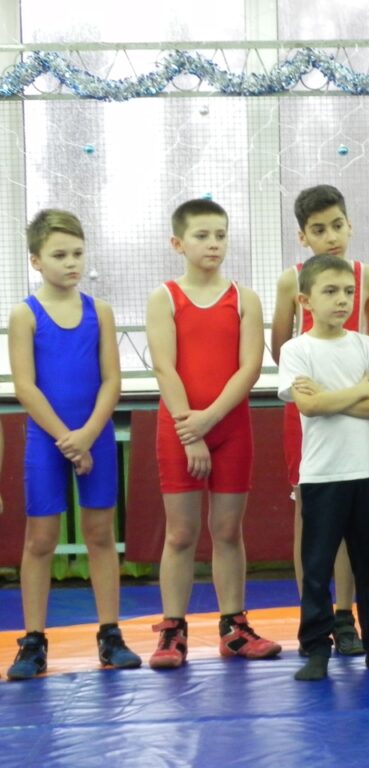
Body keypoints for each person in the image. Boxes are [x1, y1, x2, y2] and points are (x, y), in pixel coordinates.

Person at [145, 198, 281, 669]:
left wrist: (210, 420)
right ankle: (172, 631)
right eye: (202, 236)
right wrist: (192, 430)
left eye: (220, 235)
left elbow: (250, 368)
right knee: (181, 533)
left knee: (227, 530)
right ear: (178, 243)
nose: (213, 244)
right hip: (180, 428)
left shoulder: (244, 299)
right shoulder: (165, 298)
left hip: (231, 428)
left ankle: (234, 629)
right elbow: (164, 367)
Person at [6, 210, 141, 680]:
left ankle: (110, 634)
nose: (71, 263)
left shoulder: (99, 311)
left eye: (78, 254)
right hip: (48, 439)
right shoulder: (24, 314)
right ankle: (33, 640)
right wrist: (67, 439)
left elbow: (112, 381)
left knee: (100, 535)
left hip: (93, 434)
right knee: (40, 539)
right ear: (36, 261)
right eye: (60, 255)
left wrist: (86, 435)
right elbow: (25, 386)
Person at [278, 254, 369, 679]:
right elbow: (309, 407)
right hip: (323, 473)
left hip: (367, 470)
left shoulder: (366, 346)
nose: (342, 300)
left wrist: (332, 398)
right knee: (317, 565)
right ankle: (316, 648)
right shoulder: (296, 350)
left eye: (348, 292)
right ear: (305, 300)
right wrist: (359, 391)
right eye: (330, 291)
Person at [271, 184, 369, 656]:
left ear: (350, 224)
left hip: (357, 414)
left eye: (337, 225)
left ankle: (345, 615)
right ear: (303, 237)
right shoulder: (290, 282)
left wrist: (347, 394)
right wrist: (315, 391)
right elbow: (280, 345)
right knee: (312, 514)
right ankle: (313, 616)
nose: (331, 237)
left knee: (355, 520)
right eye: (318, 230)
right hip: (308, 415)